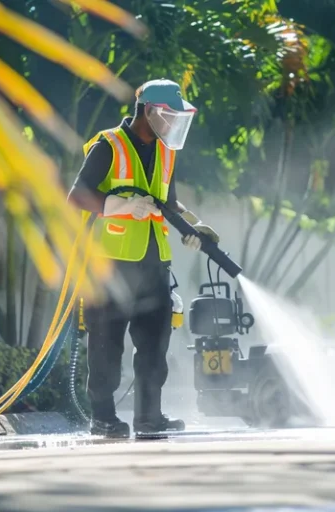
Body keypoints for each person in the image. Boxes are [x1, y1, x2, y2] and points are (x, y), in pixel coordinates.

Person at [67, 79, 219, 438]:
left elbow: (168, 202)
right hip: (110, 266)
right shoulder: (109, 146)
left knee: (154, 348)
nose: (174, 126)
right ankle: (103, 418)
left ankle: (149, 418)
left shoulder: (166, 152)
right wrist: (120, 205)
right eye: (170, 117)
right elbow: (76, 197)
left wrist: (195, 228)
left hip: (153, 265)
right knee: (106, 347)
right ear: (150, 112)